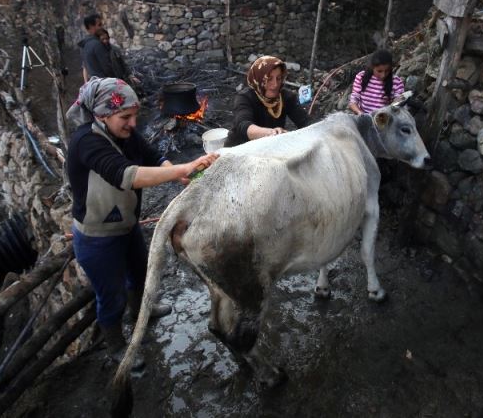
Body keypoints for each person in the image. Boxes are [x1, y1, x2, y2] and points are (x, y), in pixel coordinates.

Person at [66, 77, 218, 359]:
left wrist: (176, 170)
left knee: (138, 275)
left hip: (126, 226)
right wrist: (182, 168)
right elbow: (129, 176)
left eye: (134, 116)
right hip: (97, 237)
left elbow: (153, 156)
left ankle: (140, 315)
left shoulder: (123, 134)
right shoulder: (87, 142)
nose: (133, 123)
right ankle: (116, 347)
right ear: (102, 115)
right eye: (126, 117)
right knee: (111, 296)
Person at [225, 56, 311, 147]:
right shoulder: (245, 98)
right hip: (241, 148)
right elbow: (243, 125)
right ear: (258, 79)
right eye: (269, 79)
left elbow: (306, 122)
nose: (275, 84)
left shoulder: (286, 97)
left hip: (270, 148)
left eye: (279, 78)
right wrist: (271, 133)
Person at [348, 50, 405, 115]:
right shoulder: (361, 77)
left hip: (386, 120)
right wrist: (359, 113)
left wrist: (394, 102)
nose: (383, 75)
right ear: (372, 67)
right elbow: (354, 99)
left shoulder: (396, 82)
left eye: (387, 71)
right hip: (364, 117)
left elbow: (398, 104)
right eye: (379, 71)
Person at [96, 28, 142, 93]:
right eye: (103, 39)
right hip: (109, 84)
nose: (105, 41)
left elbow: (123, 64)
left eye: (107, 38)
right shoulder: (98, 54)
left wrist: (130, 75)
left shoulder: (114, 49)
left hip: (121, 80)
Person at [77, 13, 111, 82]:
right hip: (105, 83)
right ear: (91, 27)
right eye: (99, 25)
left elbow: (85, 67)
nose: (102, 27)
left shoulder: (84, 46)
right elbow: (107, 67)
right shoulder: (97, 44)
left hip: (94, 84)